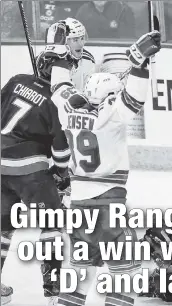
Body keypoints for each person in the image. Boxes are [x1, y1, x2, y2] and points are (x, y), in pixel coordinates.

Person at [41, 21, 161, 306]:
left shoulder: (67, 113)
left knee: (79, 280)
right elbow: (134, 97)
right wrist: (140, 63)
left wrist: (58, 52)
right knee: (126, 278)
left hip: (79, 209)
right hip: (108, 209)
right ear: (108, 97)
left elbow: (59, 86)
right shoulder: (112, 116)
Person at [1, 47, 72, 305]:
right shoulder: (56, 100)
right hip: (30, 170)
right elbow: (61, 150)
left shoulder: (16, 80)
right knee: (52, 225)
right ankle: (53, 292)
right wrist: (61, 173)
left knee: (2, 227)